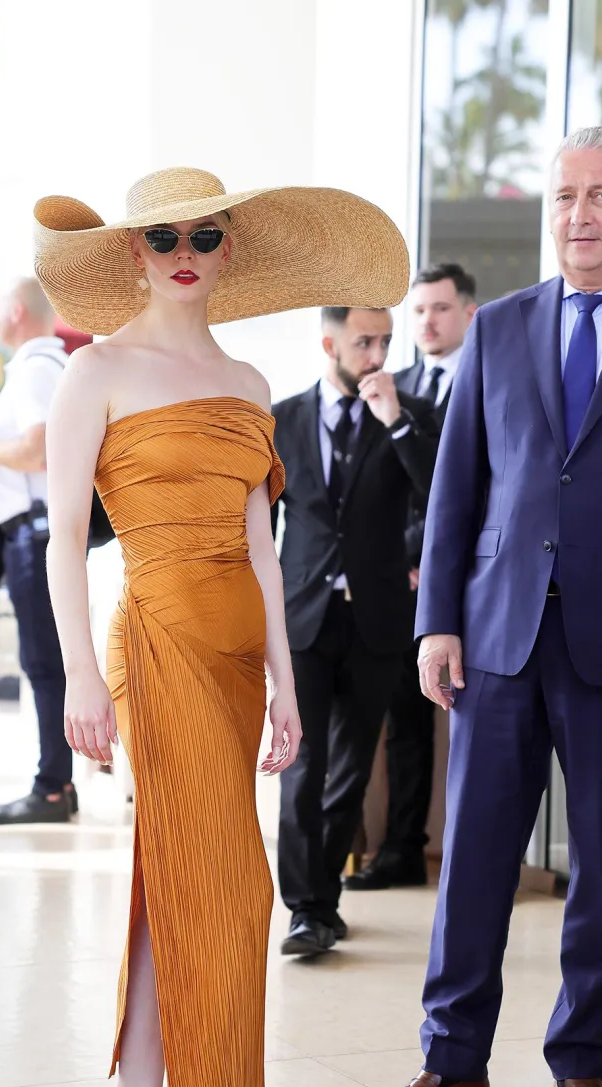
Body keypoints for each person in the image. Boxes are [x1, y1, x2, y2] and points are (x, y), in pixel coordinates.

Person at [36, 167, 408, 1087]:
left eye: (204, 235)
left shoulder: (248, 381)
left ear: (229, 248)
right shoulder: (95, 370)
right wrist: (79, 678)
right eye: (164, 237)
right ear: (134, 252)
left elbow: (263, 549)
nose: (185, 253)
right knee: (238, 887)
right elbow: (65, 538)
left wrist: (286, 681)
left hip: (243, 659)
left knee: (178, 884)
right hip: (157, 647)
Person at [352, 126, 602, 1087]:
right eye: (566, 197)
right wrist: (437, 623)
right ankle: (451, 1065)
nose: (582, 216)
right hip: (496, 634)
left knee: (601, 868)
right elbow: (456, 486)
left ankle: (585, 1064)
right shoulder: (498, 328)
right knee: (474, 860)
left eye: (600, 195)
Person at [273, 308, 439, 958]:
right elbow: (259, 524)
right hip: (303, 620)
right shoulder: (282, 419)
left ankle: (322, 902)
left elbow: (442, 494)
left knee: (350, 772)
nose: (376, 355)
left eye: (385, 342)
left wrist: (395, 420)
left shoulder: (410, 413)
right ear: (329, 343)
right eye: (363, 342)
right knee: (301, 766)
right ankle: (306, 909)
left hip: (376, 619)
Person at [346, 262, 477, 891]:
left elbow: (456, 491)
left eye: (441, 308)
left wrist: (431, 563)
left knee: (444, 721)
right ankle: (397, 848)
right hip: (395, 578)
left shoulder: (483, 378)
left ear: (469, 314)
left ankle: (447, 852)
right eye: (419, 311)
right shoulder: (393, 384)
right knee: (401, 714)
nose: (428, 321)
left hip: (454, 579)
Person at [0, 278, 77, 826]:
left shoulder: (36, 369)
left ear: (15, 311)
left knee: (44, 663)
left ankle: (52, 787)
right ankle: (57, 783)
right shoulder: (45, 366)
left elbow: (38, 449)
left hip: (35, 533)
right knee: (45, 661)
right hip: (36, 531)